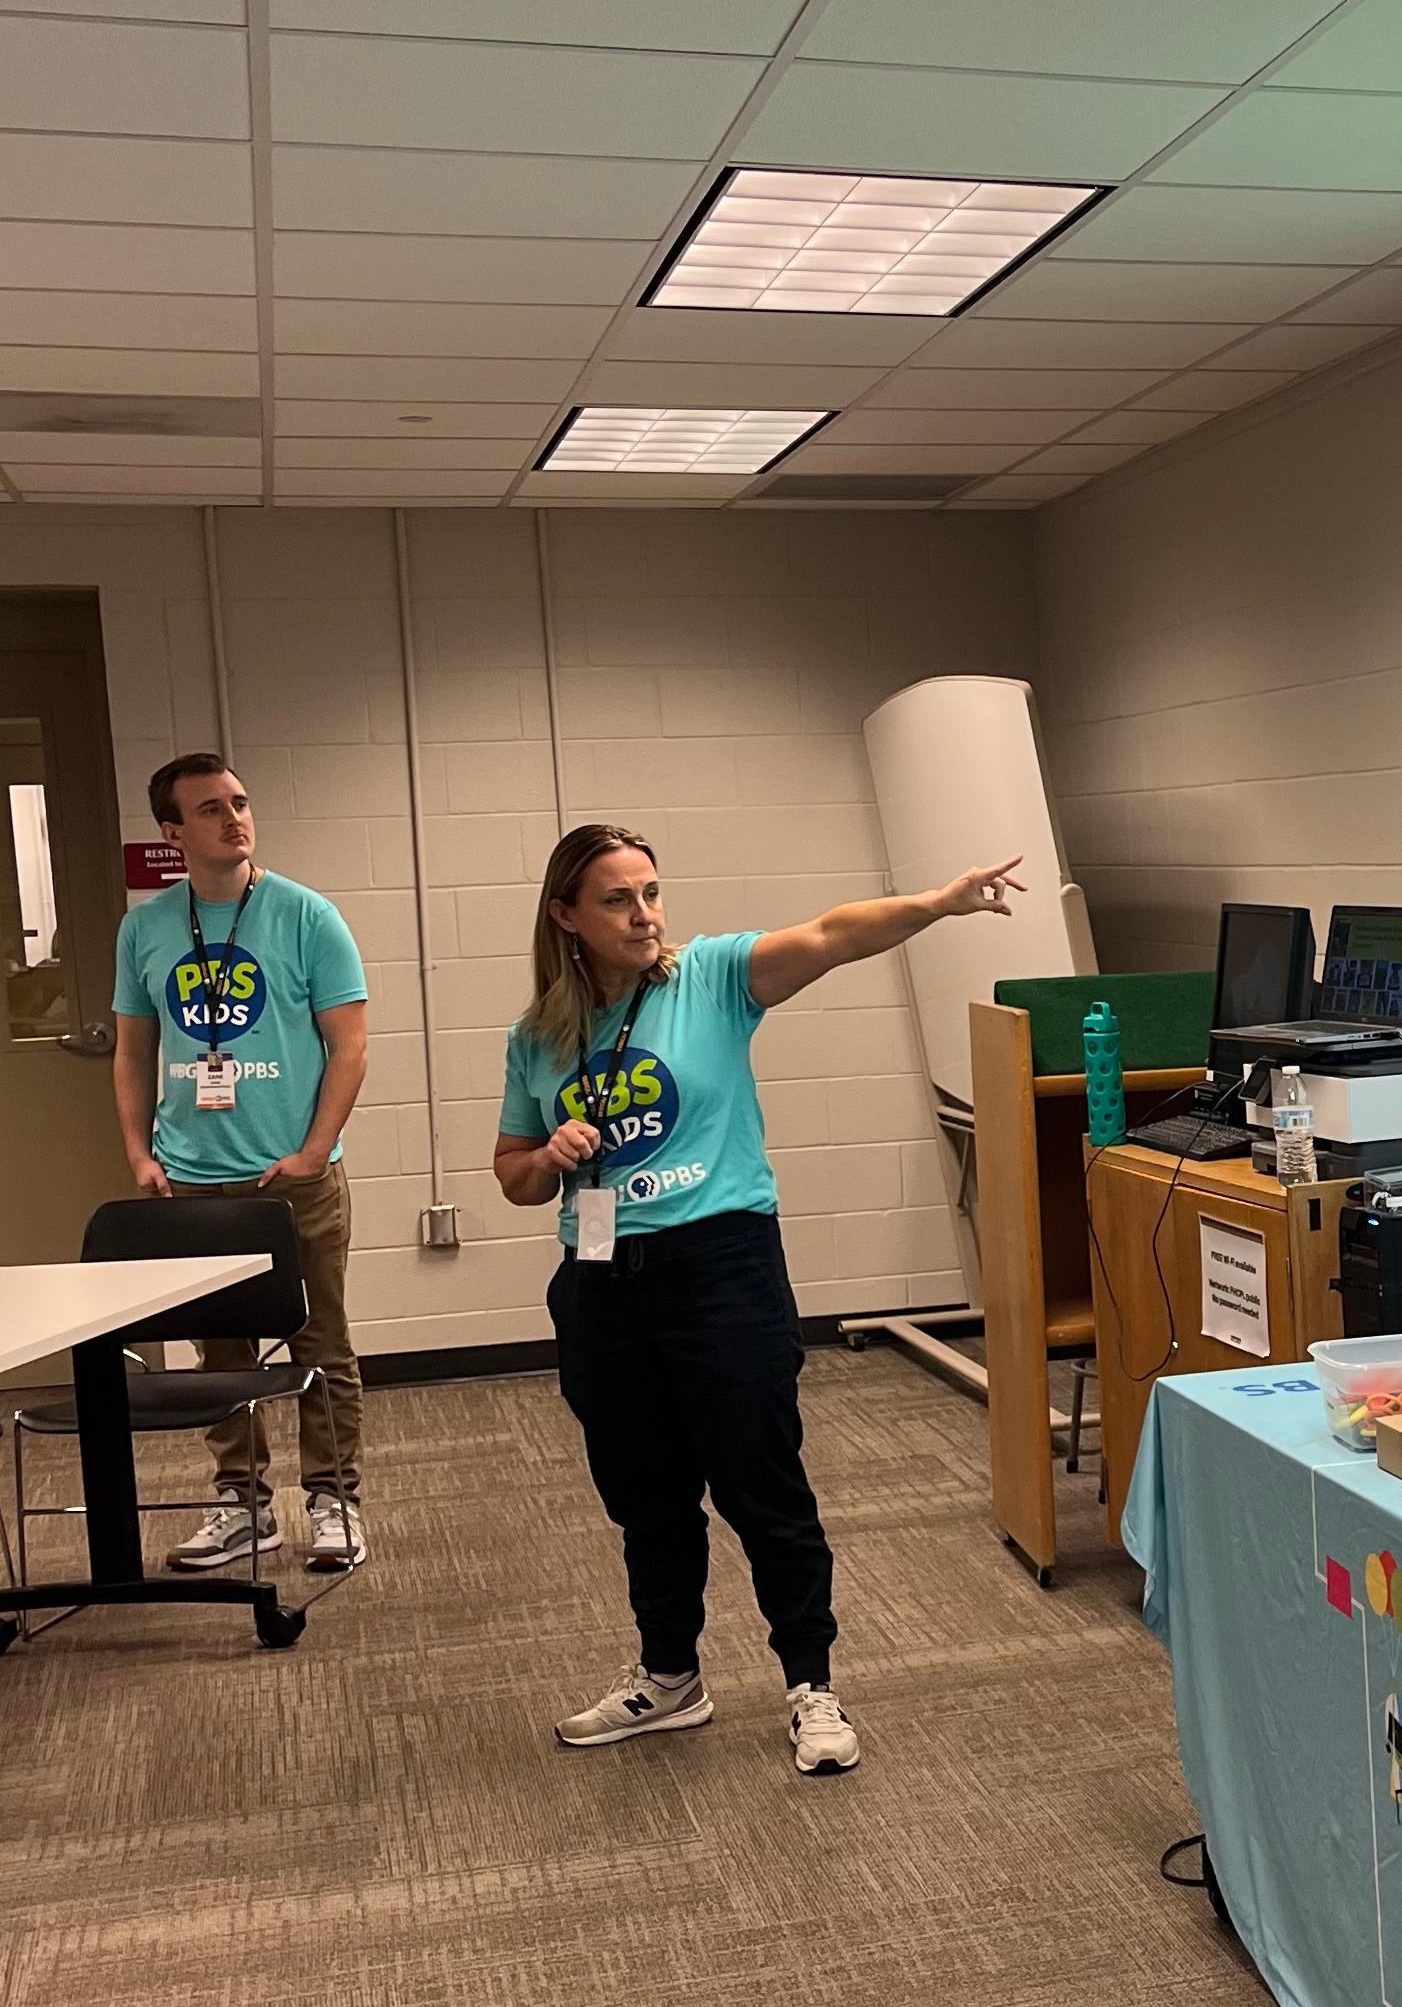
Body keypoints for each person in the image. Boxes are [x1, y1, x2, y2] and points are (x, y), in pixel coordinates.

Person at [496, 824, 1022, 1775]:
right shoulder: (539, 1038)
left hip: (722, 1266)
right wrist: (546, 1156)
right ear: (565, 916)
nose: (643, 914)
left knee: (761, 1485)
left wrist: (938, 903)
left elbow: (832, 933)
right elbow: (513, 1176)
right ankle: (668, 1679)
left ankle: (810, 1684)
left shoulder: (711, 978)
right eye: (616, 900)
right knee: (645, 1496)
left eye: (651, 892)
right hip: (603, 1284)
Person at [112, 752, 372, 1572]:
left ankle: (333, 1500)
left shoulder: (305, 916)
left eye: (241, 802)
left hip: (288, 1178)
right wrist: (138, 1151)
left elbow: (351, 1046)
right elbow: (131, 1051)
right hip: (191, 1176)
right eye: (212, 808)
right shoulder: (147, 927)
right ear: (173, 831)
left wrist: (313, 1150)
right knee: (217, 1347)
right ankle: (241, 1502)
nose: (234, 818)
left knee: (317, 1339)